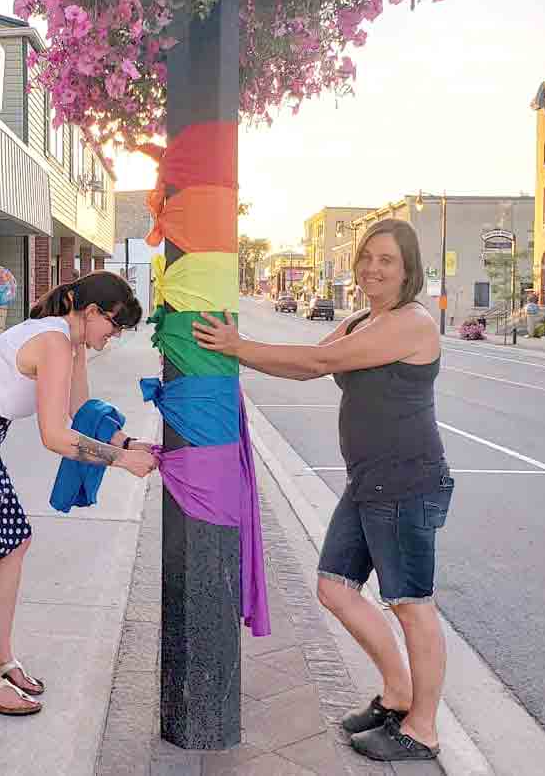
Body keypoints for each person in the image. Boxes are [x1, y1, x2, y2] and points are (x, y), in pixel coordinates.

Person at [193, 218, 454, 763]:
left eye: (387, 260)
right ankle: (398, 692)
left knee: (411, 605)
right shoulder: (365, 318)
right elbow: (306, 368)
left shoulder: (411, 322)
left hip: (406, 482)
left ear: (408, 269)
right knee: (335, 587)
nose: (372, 268)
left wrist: (237, 345)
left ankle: (423, 730)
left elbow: (321, 361)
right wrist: (235, 353)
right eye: (367, 257)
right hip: (369, 481)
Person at [0, 271, 157, 717]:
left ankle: (1, 660)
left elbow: (80, 413)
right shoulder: (54, 341)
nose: (113, 337)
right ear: (93, 312)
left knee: (14, 541)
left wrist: (127, 444)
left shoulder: (69, 341)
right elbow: (55, 436)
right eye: (113, 327)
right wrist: (120, 462)